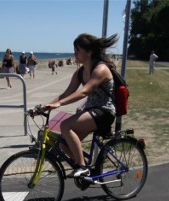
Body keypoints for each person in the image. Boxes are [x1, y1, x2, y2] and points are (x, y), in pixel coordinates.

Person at [45, 33, 118, 178]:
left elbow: (85, 91)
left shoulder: (101, 69)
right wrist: (47, 106)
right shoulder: (80, 72)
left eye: (77, 50)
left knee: (65, 125)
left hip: (104, 111)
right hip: (91, 111)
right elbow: (67, 92)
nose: (75, 54)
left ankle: (82, 167)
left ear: (89, 51)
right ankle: (88, 172)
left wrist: (60, 103)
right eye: (74, 50)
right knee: (64, 145)